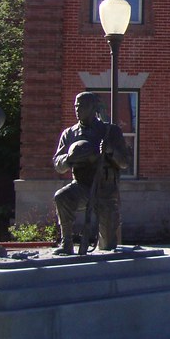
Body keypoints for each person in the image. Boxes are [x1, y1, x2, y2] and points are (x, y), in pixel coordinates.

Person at [52, 92, 131, 254]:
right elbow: (57, 164)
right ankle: (66, 243)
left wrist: (110, 151)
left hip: (105, 190)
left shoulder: (110, 131)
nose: (77, 109)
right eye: (76, 106)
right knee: (61, 197)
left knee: (107, 246)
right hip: (81, 186)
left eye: (82, 106)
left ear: (93, 108)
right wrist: (68, 158)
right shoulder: (70, 134)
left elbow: (124, 163)